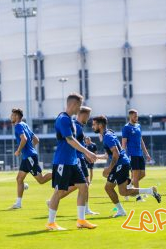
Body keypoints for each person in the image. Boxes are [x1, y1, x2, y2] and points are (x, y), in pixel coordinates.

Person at [92, 115, 161, 218]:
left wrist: (110, 168)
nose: (92, 126)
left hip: (120, 164)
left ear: (100, 125)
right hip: (123, 163)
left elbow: (116, 154)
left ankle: (121, 211)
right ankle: (150, 191)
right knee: (123, 192)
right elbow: (109, 155)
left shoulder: (107, 136)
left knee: (108, 188)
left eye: (94, 124)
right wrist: (95, 156)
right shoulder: (109, 133)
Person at [46, 93, 97, 231]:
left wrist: (84, 153)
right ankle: (51, 223)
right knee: (59, 191)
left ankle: (81, 220)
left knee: (83, 186)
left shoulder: (70, 120)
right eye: (79, 105)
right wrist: (87, 152)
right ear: (73, 104)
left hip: (72, 162)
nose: (80, 108)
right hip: (63, 162)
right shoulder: (63, 119)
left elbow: (74, 142)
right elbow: (69, 140)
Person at [53, 106, 98, 215]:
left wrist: (86, 155)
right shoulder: (75, 126)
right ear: (83, 115)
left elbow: (80, 144)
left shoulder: (78, 126)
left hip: (79, 158)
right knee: (80, 184)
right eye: (88, 116)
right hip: (74, 159)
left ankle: (85, 211)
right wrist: (86, 154)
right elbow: (71, 142)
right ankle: (54, 201)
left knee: (84, 184)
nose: (89, 118)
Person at [10, 108, 51, 209]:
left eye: (12, 115)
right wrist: (29, 149)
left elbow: (24, 139)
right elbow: (36, 140)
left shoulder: (18, 126)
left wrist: (19, 150)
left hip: (29, 157)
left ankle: (59, 173)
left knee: (41, 180)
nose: (11, 117)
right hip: (27, 157)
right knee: (19, 179)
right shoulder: (25, 125)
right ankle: (18, 203)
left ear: (16, 116)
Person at [121, 109, 152, 202]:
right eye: (135, 116)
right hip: (132, 154)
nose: (136, 118)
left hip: (140, 154)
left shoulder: (138, 126)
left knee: (142, 174)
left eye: (137, 116)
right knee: (136, 175)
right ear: (130, 116)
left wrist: (146, 153)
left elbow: (141, 140)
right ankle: (138, 197)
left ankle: (128, 187)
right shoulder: (126, 128)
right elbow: (124, 143)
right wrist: (123, 155)